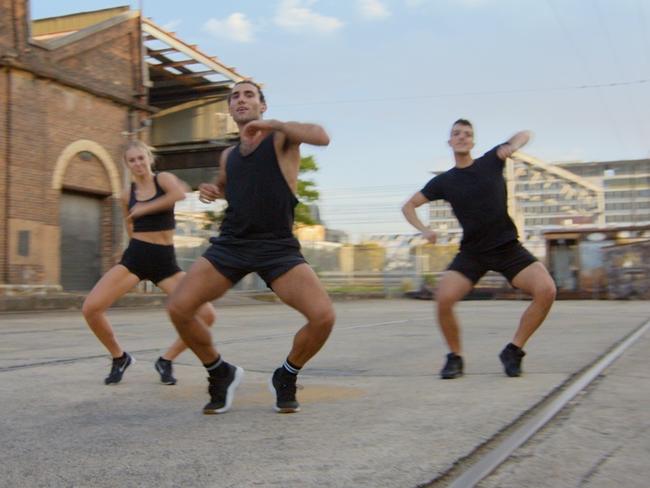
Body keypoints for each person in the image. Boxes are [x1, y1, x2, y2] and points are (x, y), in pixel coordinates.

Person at [167, 80, 335, 415]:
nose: (241, 100)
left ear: (262, 105)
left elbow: (322, 136)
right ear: (229, 109)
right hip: (232, 243)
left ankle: (286, 375)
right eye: (235, 97)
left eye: (249, 95)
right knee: (179, 308)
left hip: (277, 247)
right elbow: (232, 188)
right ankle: (220, 372)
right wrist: (213, 190)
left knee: (323, 317)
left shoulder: (282, 137)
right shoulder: (229, 155)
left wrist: (273, 125)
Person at [402, 119, 556, 379]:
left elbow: (525, 132)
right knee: (444, 299)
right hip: (473, 252)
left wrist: (513, 146)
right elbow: (409, 206)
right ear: (450, 142)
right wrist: (424, 230)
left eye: (467, 134)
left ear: (473, 142)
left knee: (547, 290)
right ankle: (455, 357)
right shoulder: (445, 181)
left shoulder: (491, 161)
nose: (462, 137)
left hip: (508, 247)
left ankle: (514, 350)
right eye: (456, 134)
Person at [82, 140, 216, 386]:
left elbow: (179, 194)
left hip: (166, 262)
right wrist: (130, 246)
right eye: (132, 160)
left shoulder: (163, 179)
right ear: (127, 164)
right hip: (136, 258)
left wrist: (145, 208)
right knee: (91, 308)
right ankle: (119, 357)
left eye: (141, 158)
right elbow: (129, 224)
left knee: (206, 314)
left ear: (149, 159)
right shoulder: (126, 195)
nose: (138, 163)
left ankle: (166, 360)